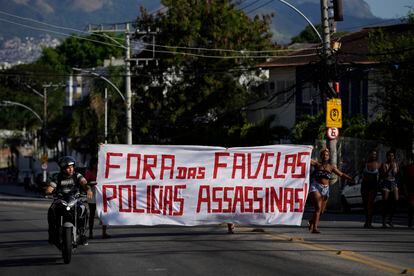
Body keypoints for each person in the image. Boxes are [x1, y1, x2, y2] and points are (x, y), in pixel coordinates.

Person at [45, 156, 93, 245]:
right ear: (63, 169)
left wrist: (88, 189)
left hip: (75, 199)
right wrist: (48, 190)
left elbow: (84, 183)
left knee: (84, 209)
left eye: (71, 167)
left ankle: (82, 234)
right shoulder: (57, 177)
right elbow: (51, 187)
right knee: (51, 210)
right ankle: (52, 234)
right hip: (61, 200)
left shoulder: (77, 175)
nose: (70, 169)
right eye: (68, 168)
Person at [308, 148, 353, 234]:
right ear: (321, 156)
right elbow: (306, 159)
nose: (325, 156)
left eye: (327, 155)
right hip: (316, 187)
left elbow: (341, 174)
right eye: (324, 155)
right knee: (317, 207)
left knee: (321, 211)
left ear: (329, 157)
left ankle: (311, 221)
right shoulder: (317, 164)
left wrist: (349, 178)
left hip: (326, 189)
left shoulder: (331, 167)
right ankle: (315, 228)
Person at [85, 157, 110, 239]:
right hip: (92, 194)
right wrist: (90, 185)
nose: (97, 165)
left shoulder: (102, 172)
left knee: (104, 213)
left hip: (102, 194)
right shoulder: (89, 172)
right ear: (92, 164)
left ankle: (104, 232)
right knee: (92, 214)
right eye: (96, 163)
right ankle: (91, 233)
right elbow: (85, 183)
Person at [380, 150, 400, 228]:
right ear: (387, 157)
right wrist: (390, 168)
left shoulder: (396, 164)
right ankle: (384, 221)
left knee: (396, 200)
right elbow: (383, 175)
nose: (391, 157)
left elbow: (397, 174)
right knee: (385, 202)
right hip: (386, 183)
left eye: (392, 156)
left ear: (394, 157)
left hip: (394, 183)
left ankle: (390, 219)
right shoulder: (384, 165)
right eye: (389, 156)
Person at [361, 150, 380, 228]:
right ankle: (366, 221)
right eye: (372, 154)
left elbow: (381, 176)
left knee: (370, 204)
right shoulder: (364, 164)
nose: (373, 156)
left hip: (373, 186)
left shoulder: (378, 165)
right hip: (365, 186)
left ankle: (370, 222)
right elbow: (360, 173)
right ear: (369, 155)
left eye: (375, 154)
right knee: (365, 204)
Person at [403, 155, 414, 228]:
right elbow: (404, 181)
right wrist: (405, 190)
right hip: (411, 190)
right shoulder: (408, 168)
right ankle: (410, 222)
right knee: (411, 206)